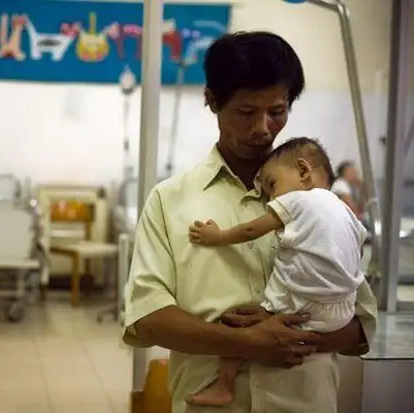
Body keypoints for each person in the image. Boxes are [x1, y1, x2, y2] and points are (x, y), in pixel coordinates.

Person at [123, 31, 377, 413]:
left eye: (277, 112)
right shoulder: (170, 201)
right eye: (246, 112)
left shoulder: (323, 203)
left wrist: (296, 338)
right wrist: (247, 342)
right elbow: (147, 319)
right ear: (211, 100)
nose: (263, 128)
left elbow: (360, 322)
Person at [186, 137, 367, 407]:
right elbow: (357, 251)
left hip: (299, 305)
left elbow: (251, 230)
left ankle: (224, 384)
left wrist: (217, 236)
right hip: (340, 313)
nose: (270, 197)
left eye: (272, 184)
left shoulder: (298, 200)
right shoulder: (346, 212)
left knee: (240, 323)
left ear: (303, 172)